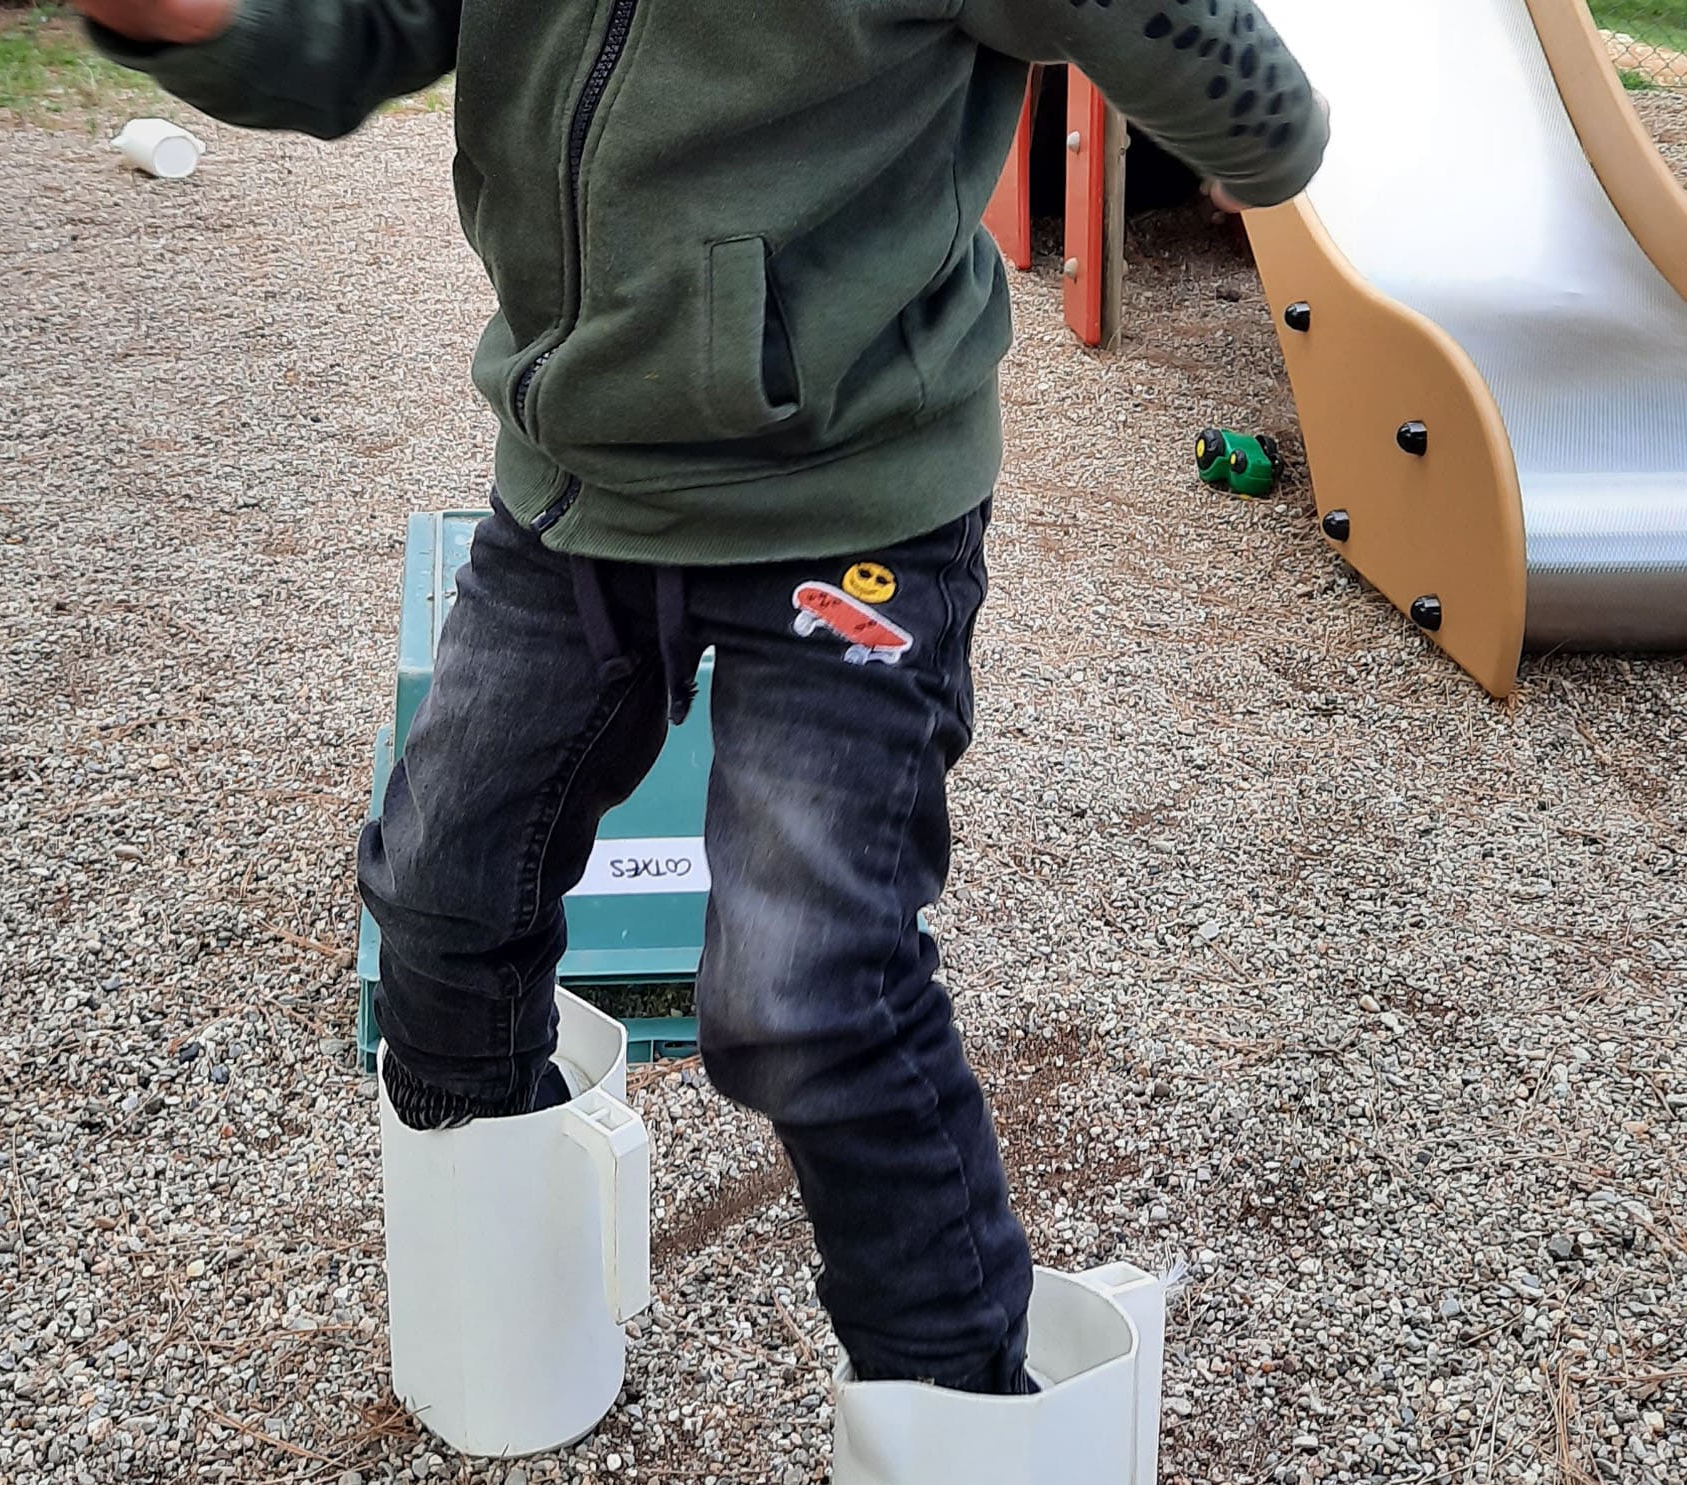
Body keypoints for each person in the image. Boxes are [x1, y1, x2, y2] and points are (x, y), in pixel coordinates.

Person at [78, 0, 1327, 1394]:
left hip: (854, 508)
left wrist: (1258, 139)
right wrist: (183, 20)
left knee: (806, 995)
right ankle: (507, 1347)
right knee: (439, 891)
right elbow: (348, 37)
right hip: (578, 494)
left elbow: (1245, 102)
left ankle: (968, 1424)